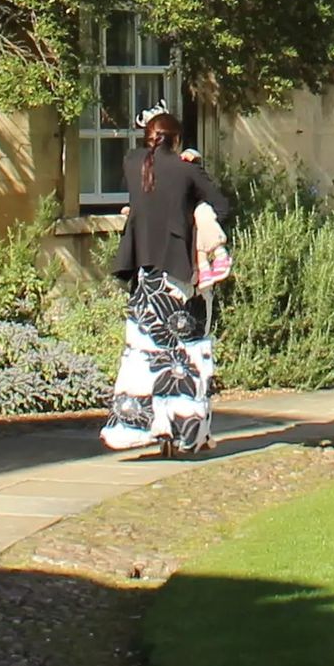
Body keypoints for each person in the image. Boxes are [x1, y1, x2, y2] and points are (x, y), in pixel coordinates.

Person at [101, 109, 233, 457]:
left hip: (146, 277)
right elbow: (221, 205)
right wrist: (195, 166)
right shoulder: (186, 169)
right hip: (179, 276)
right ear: (177, 140)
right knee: (184, 353)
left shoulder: (133, 164)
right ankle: (186, 433)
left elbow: (147, 173)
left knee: (145, 351)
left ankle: (139, 428)